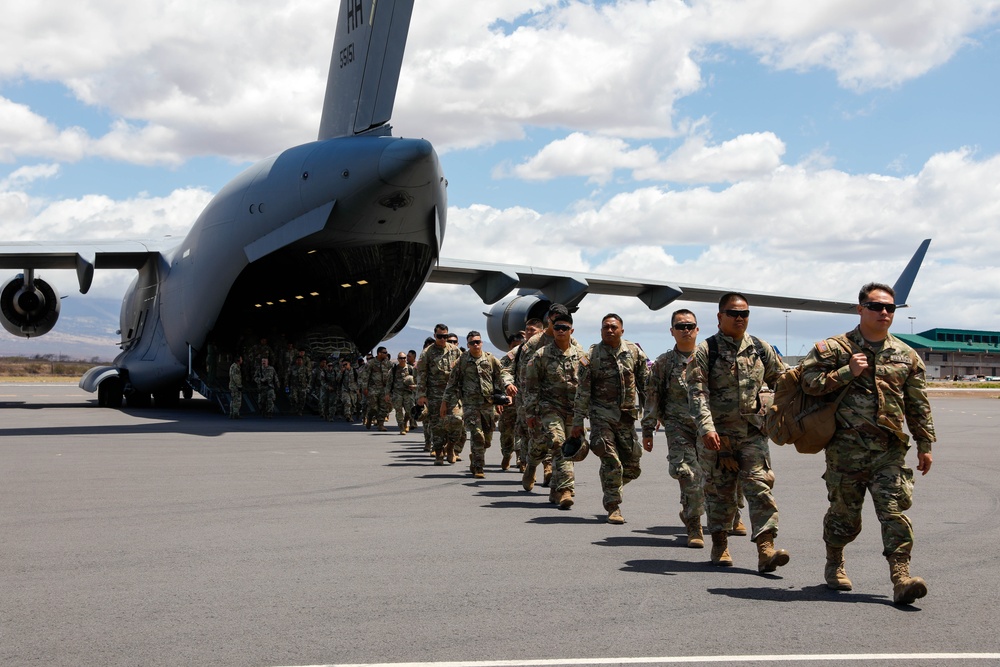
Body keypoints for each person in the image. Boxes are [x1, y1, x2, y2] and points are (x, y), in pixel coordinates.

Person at [800, 282, 935, 605]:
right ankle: (835, 560)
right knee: (845, 517)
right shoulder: (833, 349)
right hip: (846, 452)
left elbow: (918, 404)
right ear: (860, 309)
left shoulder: (906, 356)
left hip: (889, 451)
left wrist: (925, 443)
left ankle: (901, 577)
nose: (884, 312)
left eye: (890, 308)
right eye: (877, 306)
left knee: (894, 513)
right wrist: (847, 372)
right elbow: (807, 383)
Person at [686, 293, 787, 571]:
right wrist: (706, 427)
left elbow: (783, 379)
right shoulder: (706, 350)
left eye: (744, 313)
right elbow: (697, 393)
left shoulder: (759, 348)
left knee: (760, 487)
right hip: (717, 437)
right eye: (733, 313)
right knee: (720, 493)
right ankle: (720, 544)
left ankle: (766, 550)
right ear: (720, 317)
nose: (740, 318)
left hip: (752, 435)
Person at [571, 313, 649, 524]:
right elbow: (583, 391)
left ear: (622, 330)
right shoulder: (592, 355)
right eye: (606, 327)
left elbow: (645, 386)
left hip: (626, 417)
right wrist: (578, 422)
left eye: (614, 327)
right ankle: (613, 506)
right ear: (601, 331)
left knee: (632, 467)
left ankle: (611, 486)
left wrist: (651, 415)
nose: (610, 330)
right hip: (601, 416)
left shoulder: (634, 352)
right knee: (611, 460)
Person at [642, 309, 705, 547]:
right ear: (672, 332)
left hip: (708, 428)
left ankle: (731, 515)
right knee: (688, 474)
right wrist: (648, 430)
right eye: (680, 326)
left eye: (690, 326)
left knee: (717, 477)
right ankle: (694, 525)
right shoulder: (664, 363)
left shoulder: (709, 358)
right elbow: (652, 397)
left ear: (697, 329)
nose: (686, 330)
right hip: (679, 428)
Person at [523, 313, 585, 508]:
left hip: (572, 410)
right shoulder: (541, 355)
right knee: (559, 443)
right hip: (549, 408)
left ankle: (554, 490)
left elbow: (586, 386)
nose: (560, 331)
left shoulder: (581, 356)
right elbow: (531, 386)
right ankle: (566, 489)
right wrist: (530, 413)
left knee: (568, 448)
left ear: (571, 331)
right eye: (557, 327)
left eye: (564, 328)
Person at [442, 331, 505, 478]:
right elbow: (452, 383)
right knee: (477, 435)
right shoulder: (462, 360)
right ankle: (478, 468)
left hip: (488, 404)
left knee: (487, 440)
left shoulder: (491, 359)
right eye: (472, 343)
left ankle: (476, 456)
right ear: (468, 344)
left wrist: (501, 399)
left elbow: (499, 379)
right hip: (470, 404)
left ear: (481, 342)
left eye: (477, 342)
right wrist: (444, 403)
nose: (475, 345)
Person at [416, 324, 463, 465]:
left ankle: (451, 446)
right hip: (434, 393)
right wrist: (421, 395)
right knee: (437, 424)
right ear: (435, 335)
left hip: (452, 393)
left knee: (457, 420)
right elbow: (421, 375)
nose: (443, 339)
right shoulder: (427, 353)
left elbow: (463, 371)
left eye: (445, 336)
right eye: (439, 336)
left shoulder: (455, 351)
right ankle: (438, 453)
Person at [497, 331, 525, 470]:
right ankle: (507, 454)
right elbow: (499, 380)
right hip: (508, 401)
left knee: (522, 431)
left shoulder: (529, 356)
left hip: (524, 400)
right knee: (506, 431)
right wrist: (499, 400)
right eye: (515, 345)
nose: (517, 348)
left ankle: (521, 459)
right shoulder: (507, 360)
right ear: (510, 346)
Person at [360, 346, 393, 431]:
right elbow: (365, 376)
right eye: (384, 353)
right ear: (379, 353)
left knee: (384, 407)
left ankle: (380, 425)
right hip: (373, 388)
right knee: (373, 408)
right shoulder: (371, 363)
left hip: (384, 389)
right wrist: (365, 388)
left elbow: (393, 372)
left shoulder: (387, 363)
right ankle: (370, 416)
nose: (386, 354)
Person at [390, 352, 417, 434]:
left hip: (408, 392)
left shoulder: (410, 369)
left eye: (404, 358)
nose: (403, 360)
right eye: (401, 358)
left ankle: (405, 421)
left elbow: (417, 380)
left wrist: (414, 386)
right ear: (398, 359)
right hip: (397, 392)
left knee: (409, 411)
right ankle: (401, 427)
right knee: (398, 411)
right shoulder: (393, 370)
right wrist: (387, 394)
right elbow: (389, 383)